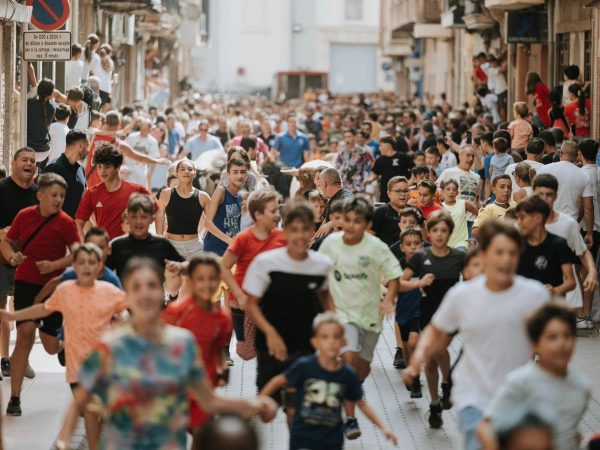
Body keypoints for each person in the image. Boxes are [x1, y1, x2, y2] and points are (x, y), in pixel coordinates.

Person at [54, 257, 277, 450]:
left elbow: (207, 400)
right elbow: (78, 404)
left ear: (161, 292)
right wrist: (63, 442)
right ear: (127, 295)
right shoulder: (109, 347)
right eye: (136, 287)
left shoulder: (183, 344)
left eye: (151, 285)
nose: (145, 293)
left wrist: (253, 404)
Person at [404, 219, 551, 449]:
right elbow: (436, 331)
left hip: (518, 396)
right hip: (474, 395)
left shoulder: (534, 295)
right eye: (499, 252)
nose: (506, 260)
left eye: (512, 253)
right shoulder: (463, 295)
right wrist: (415, 362)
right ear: (484, 254)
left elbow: (550, 341)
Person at [1, 242, 127, 447]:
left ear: (99, 266)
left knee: (102, 408)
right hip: (76, 362)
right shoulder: (66, 290)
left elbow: (130, 313)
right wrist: (13, 315)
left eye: (91, 263)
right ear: (74, 267)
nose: (86, 267)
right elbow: (44, 308)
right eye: (82, 263)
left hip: (104, 362)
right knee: (88, 409)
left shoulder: (109, 291)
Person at [243, 200, 332, 422]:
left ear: (313, 230)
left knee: (298, 411)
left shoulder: (322, 264)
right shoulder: (266, 263)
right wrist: (271, 334)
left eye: (306, 229)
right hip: (270, 345)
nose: (300, 236)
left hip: (305, 345)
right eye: (294, 230)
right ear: (285, 230)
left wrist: (334, 325)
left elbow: (326, 296)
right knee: (267, 412)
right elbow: (251, 304)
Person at [319, 196, 401, 438]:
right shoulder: (330, 245)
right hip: (343, 315)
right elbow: (321, 281)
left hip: (371, 316)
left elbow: (394, 277)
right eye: (348, 220)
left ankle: (348, 390)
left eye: (358, 221)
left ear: (367, 224)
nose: (352, 226)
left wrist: (388, 300)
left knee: (361, 369)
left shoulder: (376, 247)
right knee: (349, 358)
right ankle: (350, 419)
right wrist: (329, 310)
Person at [0, 173, 80, 416]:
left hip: (54, 285)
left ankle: (63, 344)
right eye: (54, 195)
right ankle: (14, 398)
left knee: (49, 346)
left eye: (62, 196)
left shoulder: (66, 222)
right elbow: (6, 242)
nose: (58, 200)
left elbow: (77, 253)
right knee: (25, 334)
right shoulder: (24, 216)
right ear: (40, 195)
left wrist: (55, 265)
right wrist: (12, 257)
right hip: (25, 283)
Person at [260, 312, 397, 450]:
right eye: (325, 337)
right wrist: (260, 400)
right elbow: (278, 381)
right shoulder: (304, 366)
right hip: (302, 437)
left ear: (344, 342)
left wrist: (384, 428)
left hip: (331, 440)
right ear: (315, 342)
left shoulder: (347, 374)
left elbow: (361, 403)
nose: (331, 342)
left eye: (336, 337)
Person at [478, 303, 590, 450]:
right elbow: (485, 426)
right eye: (552, 337)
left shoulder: (581, 385)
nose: (561, 344)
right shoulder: (520, 381)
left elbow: (569, 429)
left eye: (567, 336)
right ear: (534, 345)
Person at [401, 211, 464, 429]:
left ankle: (445, 383)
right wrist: (419, 283)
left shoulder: (458, 257)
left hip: (449, 314)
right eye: (435, 230)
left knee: (434, 352)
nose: (439, 235)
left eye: (444, 230)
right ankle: (436, 402)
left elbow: (475, 280)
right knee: (431, 360)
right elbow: (401, 283)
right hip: (426, 312)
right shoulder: (420, 257)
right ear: (429, 232)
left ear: (450, 233)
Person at [162, 255, 233, 448]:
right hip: (176, 387)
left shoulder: (223, 318)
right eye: (200, 279)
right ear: (191, 281)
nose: (207, 284)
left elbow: (219, 350)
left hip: (205, 386)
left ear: (219, 280)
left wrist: (223, 368)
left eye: (212, 278)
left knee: (202, 439)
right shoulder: (177, 312)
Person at [220, 190, 286, 358]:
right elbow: (224, 267)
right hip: (242, 301)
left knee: (271, 348)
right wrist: (239, 295)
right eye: (273, 211)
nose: (278, 215)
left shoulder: (282, 237)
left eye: (278, 210)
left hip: (270, 301)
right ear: (257, 214)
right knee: (246, 352)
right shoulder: (243, 238)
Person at [533, 174, 598, 323]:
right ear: (533, 194)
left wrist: (592, 271)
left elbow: (582, 251)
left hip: (565, 292)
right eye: (540, 194)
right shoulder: (523, 223)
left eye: (548, 195)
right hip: (534, 292)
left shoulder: (568, 223)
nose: (544, 199)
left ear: (555, 196)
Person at [0, 148, 38, 379]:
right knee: (1, 307)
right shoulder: (1, 189)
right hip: (1, 257)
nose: (29, 163)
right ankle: (4, 359)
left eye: (33, 161)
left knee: (26, 312)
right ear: (14, 163)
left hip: (29, 260)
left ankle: (21, 357)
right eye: (24, 159)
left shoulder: (38, 193)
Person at [106, 194, 185, 298]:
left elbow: (186, 264)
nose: (139, 222)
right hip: (125, 306)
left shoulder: (162, 244)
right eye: (134, 217)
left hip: (155, 305)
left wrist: (179, 267)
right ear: (127, 218)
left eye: (143, 217)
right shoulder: (116, 245)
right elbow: (103, 273)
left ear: (152, 219)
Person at [76, 143, 155, 240]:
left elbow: (157, 212)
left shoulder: (138, 190)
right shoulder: (92, 193)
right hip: (105, 250)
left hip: (132, 250)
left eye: (107, 167)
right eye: (99, 166)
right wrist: (84, 247)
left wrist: (155, 238)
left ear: (117, 167)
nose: (102, 171)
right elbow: (79, 223)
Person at [392, 228, 433, 396]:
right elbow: (394, 285)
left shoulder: (426, 263)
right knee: (406, 345)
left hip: (419, 309)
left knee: (413, 342)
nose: (413, 247)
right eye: (408, 244)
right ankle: (411, 371)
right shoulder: (399, 265)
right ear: (401, 247)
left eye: (417, 243)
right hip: (403, 310)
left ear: (422, 245)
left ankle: (415, 375)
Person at [84, 111, 169, 189]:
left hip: (88, 185)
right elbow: (140, 158)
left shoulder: (92, 136)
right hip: (106, 189)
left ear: (105, 123)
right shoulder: (120, 145)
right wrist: (158, 161)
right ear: (119, 125)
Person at [536, 140, 595, 246]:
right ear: (577, 155)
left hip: (546, 224)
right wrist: (589, 233)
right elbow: (588, 208)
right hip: (569, 227)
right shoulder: (584, 175)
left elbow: (535, 198)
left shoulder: (544, 169)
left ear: (561, 152)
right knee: (566, 260)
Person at [515, 196, 576, 296]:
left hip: (550, 307)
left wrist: (554, 290)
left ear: (538, 218)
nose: (518, 222)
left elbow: (571, 282)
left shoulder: (558, 244)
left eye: (522, 217)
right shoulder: (517, 245)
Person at [156, 159, 210, 260]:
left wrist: (202, 236)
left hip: (195, 247)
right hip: (171, 245)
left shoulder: (203, 196)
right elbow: (159, 216)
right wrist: (159, 238)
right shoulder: (166, 193)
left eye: (190, 169)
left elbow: (211, 220)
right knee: (172, 275)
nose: (186, 171)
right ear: (176, 173)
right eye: (182, 169)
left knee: (194, 276)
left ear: (194, 173)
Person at [203, 158, 248, 256]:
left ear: (246, 175)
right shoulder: (221, 191)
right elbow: (207, 223)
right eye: (235, 172)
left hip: (230, 249)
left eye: (242, 172)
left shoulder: (240, 196)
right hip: (214, 249)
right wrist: (229, 240)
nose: (239, 175)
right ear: (228, 174)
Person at [436, 146, 482, 234]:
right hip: (455, 218)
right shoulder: (448, 172)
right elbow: (437, 191)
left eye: (473, 156)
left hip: (472, 220)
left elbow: (477, 199)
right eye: (468, 155)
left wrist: (481, 208)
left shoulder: (477, 177)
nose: (470, 159)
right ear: (460, 156)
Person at [44, 130, 89, 218]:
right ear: (80, 146)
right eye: (87, 146)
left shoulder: (81, 169)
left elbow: (84, 200)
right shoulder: (53, 168)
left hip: (74, 228)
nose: (88, 150)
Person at [364, 136, 414, 202]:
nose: (379, 148)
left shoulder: (403, 157)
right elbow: (375, 173)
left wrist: (411, 181)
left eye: (381, 145)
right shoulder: (380, 160)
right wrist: (370, 179)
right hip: (386, 192)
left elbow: (415, 169)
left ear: (387, 145)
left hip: (401, 191)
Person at [314, 168, 353, 238]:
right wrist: (315, 238)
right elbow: (326, 220)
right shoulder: (333, 197)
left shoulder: (345, 195)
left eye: (321, 185)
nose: (321, 188)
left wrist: (332, 223)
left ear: (325, 184)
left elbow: (351, 212)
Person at [441, 178, 478, 250]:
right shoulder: (440, 206)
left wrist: (476, 226)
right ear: (442, 192)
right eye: (448, 189)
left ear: (457, 193)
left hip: (461, 243)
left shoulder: (463, 203)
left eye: (454, 190)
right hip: (446, 243)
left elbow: (480, 214)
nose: (451, 192)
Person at [27, 79, 56, 169]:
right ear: (51, 94)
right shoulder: (53, 107)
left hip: (29, 148)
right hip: (44, 151)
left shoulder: (29, 103)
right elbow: (47, 127)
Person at [372, 176, 409, 246]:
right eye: (398, 191)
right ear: (389, 193)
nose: (403, 194)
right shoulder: (381, 212)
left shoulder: (414, 211)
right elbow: (370, 235)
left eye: (405, 191)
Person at [124, 119, 161, 188]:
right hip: (129, 170)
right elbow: (124, 151)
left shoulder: (153, 142)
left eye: (146, 129)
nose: (143, 131)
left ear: (150, 129)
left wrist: (150, 174)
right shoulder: (132, 137)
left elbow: (153, 160)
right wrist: (123, 166)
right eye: (142, 128)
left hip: (142, 172)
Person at [336, 128, 373, 193]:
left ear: (354, 137)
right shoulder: (342, 152)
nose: (347, 139)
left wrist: (368, 178)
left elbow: (372, 164)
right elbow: (337, 166)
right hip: (344, 186)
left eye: (349, 136)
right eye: (345, 137)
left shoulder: (362, 152)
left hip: (358, 186)